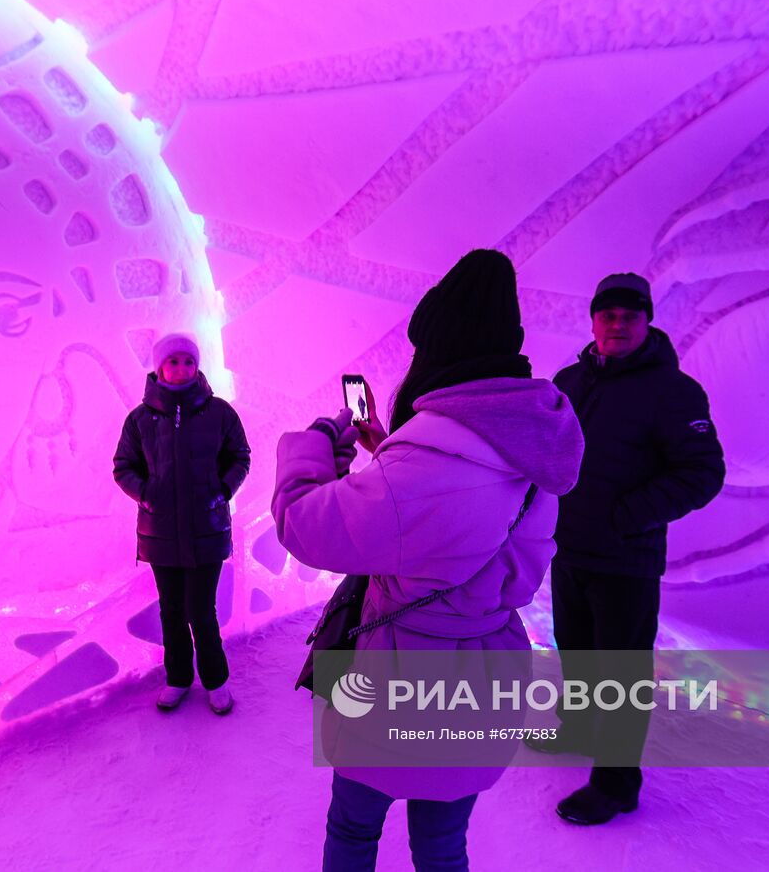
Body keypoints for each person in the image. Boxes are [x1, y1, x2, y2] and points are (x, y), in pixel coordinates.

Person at [273, 250, 584, 870]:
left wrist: (313, 445)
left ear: (439, 354)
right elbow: (463, 509)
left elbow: (302, 524)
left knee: (354, 830)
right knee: (443, 842)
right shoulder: (533, 440)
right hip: (484, 673)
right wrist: (391, 456)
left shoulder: (416, 474)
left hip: (396, 678)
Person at [533, 272, 725, 825]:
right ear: (593, 320)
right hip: (567, 549)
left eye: (629, 315)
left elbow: (702, 472)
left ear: (646, 321)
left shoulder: (674, 390)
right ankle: (575, 728)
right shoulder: (568, 381)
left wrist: (626, 518)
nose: (617, 324)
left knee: (620, 674)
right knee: (573, 648)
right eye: (607, 314)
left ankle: (617, 784)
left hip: (625, 559)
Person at [113, 334, 251, 714]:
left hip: (206, 528)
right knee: (171, 611)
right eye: (173, 362)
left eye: (188, 362)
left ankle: (216, 680)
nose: (181, 369)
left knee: (200, 610)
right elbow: (123, 466)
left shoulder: (219, 413)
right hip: (161, 535)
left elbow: (240, 455)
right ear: (159, 368)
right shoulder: (140, 420)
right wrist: (146, 493)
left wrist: (223, 489)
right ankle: (177, 678)